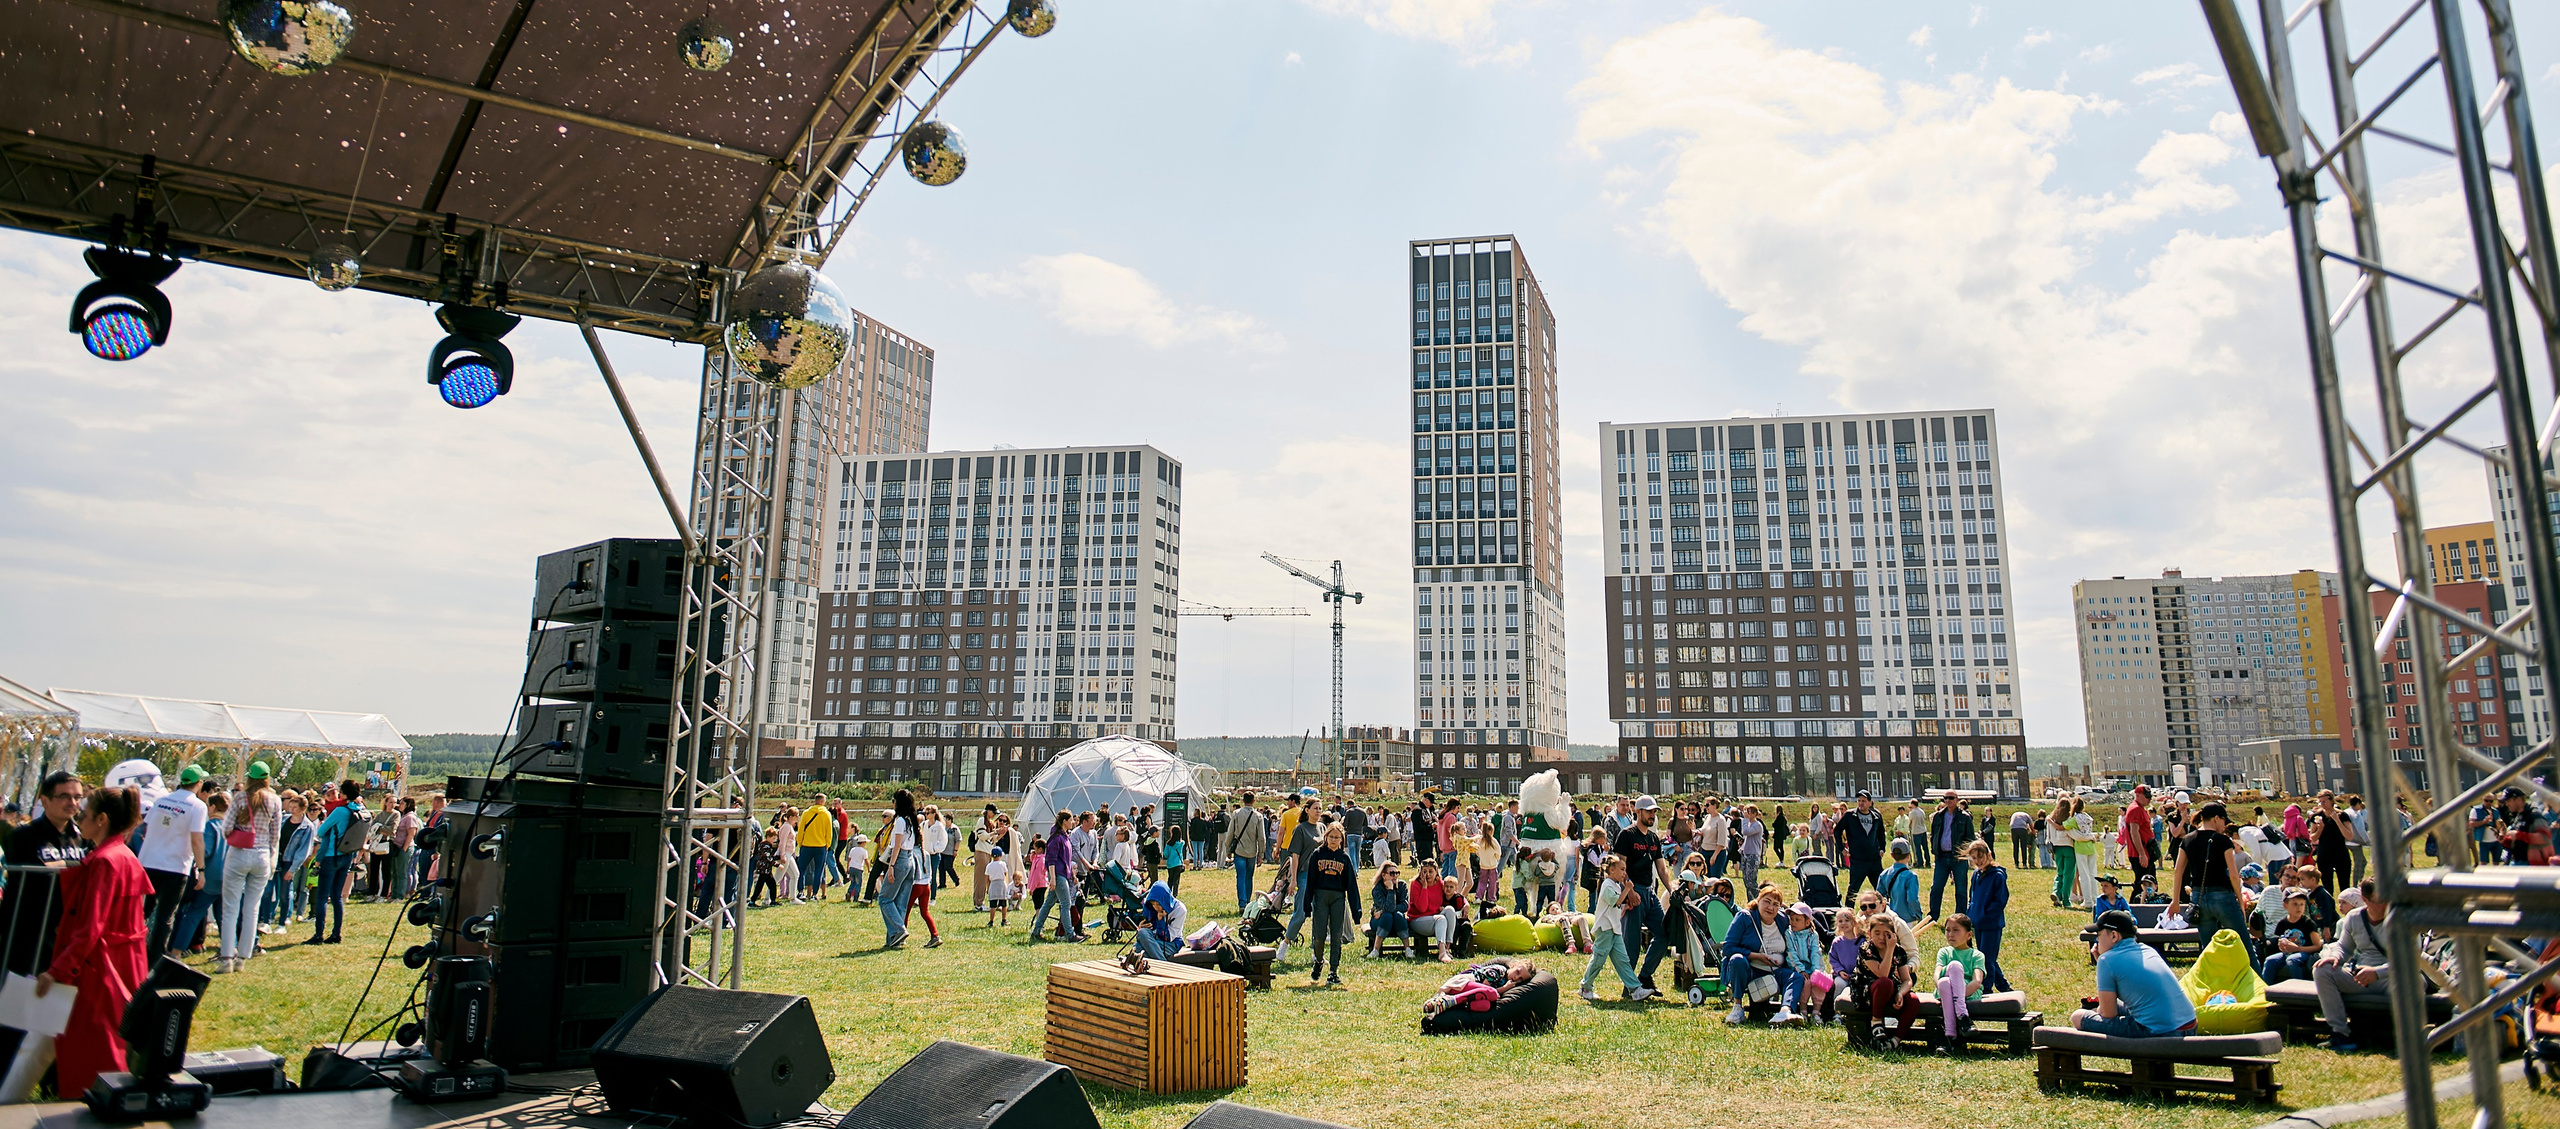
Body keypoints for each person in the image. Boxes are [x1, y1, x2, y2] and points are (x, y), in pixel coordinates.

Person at [37, 786, 150, 1097]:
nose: (79, 821)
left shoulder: (104, 861)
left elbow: (90, 928)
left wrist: (55, 971)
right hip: (124, 966)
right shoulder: (124, 855)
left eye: (84, 815)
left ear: (101, 819)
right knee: (113, 1047)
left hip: (98, 971)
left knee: (93, 1054)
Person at [2072, 909, 2198, 1038]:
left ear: (2114, 936)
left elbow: (2108, 1014)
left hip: (2160, 1032)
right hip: (2190, 1025)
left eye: (2099, 935)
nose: (2097, 940)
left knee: (2077, 1017)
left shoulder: (2107, 960)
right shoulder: (2148, 950)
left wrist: (2095, 1013)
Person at [214, 764, 281, 973]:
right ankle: (244, 956)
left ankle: (227, 957)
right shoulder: (275, 800)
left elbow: (226, 828)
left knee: (230, 908)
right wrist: (270, 855)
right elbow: (275, 835)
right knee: (252, 909)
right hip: (261, 855)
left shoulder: (240, 798)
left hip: (239, 852)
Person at [137, 765, 209, 961]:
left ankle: (134, 950)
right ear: (199, 783)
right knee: (165, 915)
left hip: (149, 862)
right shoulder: (197, 806)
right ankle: (155, 958)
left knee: (142, 911)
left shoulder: (161, 800)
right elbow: (197, 839)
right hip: (175, 866)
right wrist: (201, 869)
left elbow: (147, 828)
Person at [2312, 879, 2392, 1052]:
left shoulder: (2400, 918)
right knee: (2322, 970)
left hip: (2392, 978)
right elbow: (2344, 947)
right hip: (2361, 976)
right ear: (2365, 899)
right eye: (2380, 901)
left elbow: (2411, 960)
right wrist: (2334, 958)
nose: (2386, 905)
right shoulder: (2355, 918)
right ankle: (2340, 1033)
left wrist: (2377, 972)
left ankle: (2407, 1037)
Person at [1616, 796, 1677, 992]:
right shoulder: (1627, 835)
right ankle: (1630, 985)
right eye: (1649, 811)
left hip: (1650, 892)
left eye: (1654, 812)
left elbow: (1662, 868)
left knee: (1664, 933)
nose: (1653, 815)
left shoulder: (1653, 838)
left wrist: (1671, 889)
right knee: (1632, 943)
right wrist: (1629, 891)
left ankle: (1644, 976)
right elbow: (1620, 867)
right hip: (1633, 892)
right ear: (1638, 811)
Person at [1721, 885, 1806, 1026]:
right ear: (1758, 900)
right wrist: (1756, 956)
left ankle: (1785, 1011)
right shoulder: (1744, 917)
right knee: (1737, 959)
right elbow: (1728, 948)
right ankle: (1737, 1008)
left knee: (1796, 977)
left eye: (1775, 904)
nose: (1770, 908)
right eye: (1767, 901)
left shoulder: (1782, 920)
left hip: (1775, 970)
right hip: (1751, 969)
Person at [1578, 854, 1650, 1001]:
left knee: (1623, 960)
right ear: (1611, 870)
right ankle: (1585, 987)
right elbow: (1615, 902)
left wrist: (1626, 904)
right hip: (1605, 928)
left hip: (1614, 929)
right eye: (1622, 869)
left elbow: (1619, 905)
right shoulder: (1607, 885)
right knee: (1598, 959)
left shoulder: (1616, 885)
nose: (1624, 873)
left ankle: (1635, 989)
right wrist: (1627, 888)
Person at [1851, 913, 1923, 1046]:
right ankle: (1876, 1021)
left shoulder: (1899, 951)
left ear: (1893, 935)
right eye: (1877, 933)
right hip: (1866, 988)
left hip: (1890, 987)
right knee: (1885, 983)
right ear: (1870, 933)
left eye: (1886, 933)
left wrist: (1901, 993)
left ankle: (1895, 1040)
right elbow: (1882, 974)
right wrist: (1890, 949)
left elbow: (1906, 979)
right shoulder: (1867, 949)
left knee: (1913, 1000)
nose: (1881, 937)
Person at [1303, 824, 1360, 986]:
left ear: (1342, 839)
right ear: (1325, 837)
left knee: (1337, 936)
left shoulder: (1344, 857)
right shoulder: (1317, 855)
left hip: (1338, 898)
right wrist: (1307, 904)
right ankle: (1319, 960)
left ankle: (1333, 970)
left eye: (1337, 837)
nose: (1334, 840)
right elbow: (1310, 882)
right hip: (1321, 897)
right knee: (1319, 936)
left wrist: (1356, 911)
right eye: (1331, 837)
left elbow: (1351, 885)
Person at [878, 790, 925, 949]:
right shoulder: (911, 820)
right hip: (910, 860)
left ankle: (898, 930)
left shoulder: (899, 821)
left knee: (884, 899)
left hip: (899, 860)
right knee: (900, 902)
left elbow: (896, 846)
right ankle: (894, 940)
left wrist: (891, 867)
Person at [1964, 838, 2011, 993]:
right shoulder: (1976, 875)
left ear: (1989, 854)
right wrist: (1971, 914)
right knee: (1986, 956)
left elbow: (2000, 901)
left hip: (1991, 924)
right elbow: (1972, 897)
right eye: (1974, 858)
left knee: (1986, 959)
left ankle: (1986, 989)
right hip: (1978, 923)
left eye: (1980, 857)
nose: (1978, 861)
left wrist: (1986, 915)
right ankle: (2004, 987)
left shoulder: (1997, 876)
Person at [1936, 913, 1987, 1040]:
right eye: (1947, 930)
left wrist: (1956, 994)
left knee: (1950, 973)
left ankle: (1950, 1033)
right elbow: (1936, 976)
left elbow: (1977, 981)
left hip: (1968, 991)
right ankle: (1963, 1017)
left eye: (1956, 930)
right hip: (1945, 992)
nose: (1950, 934)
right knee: (1945, 980)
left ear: (1969, 935)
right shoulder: (1944, 952)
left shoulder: (1976, 955)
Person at [1783, 901, 1833, 1024]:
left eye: (1797, 919)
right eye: (1792, 919)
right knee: (1805, 983)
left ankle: (1816, 1012)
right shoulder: (1789, 934)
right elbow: (1792, 953)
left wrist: (1816, 970)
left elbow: (1816, 952)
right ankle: (1803, 1011)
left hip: (1812, 967)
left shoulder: (1813, 935)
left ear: (1807, 922)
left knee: (1818, 983)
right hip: (1798, 968)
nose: (1793, 922)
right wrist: (1801, 969)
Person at [2260, 888, 2323, 985]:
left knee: (2292, 960)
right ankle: (2265, 990)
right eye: (2295, 904)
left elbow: (2317, 946)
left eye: (2302, 904)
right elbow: (2280, 942)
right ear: (2285, 905)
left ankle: (2300, 989)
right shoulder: (2282, 923)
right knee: (2270, 960)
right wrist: (2282, 946)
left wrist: (2298, 948)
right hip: (2287, 953)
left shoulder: (2308, 923)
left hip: (2305, 952)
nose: (2299, 908)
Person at [1926, 791, 1973, 921]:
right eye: (1945, 798)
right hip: (1941, 857)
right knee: (1936, 887)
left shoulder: (1964, 817)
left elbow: (1970, 838)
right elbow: (1934, 835)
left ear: (1957, 799)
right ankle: (1933, 916)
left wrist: (1966, 854)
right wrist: (1934, 849)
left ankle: (1961, 916)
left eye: (1951, 798)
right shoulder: (1938, 816)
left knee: (1961, 889)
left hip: (1958, 857)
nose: (1948, 800)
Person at [1223, 792, 1270, 910]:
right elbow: (1262, 838)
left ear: (1243, 801)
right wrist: (1261, 854)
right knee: (1249, 877)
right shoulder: (1258, 816)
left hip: (1239, 850)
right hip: (1252, 851)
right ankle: (1248, 902)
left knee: (1241, 877)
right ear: (1254, 801)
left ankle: (1242, 903)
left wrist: (1228, 848)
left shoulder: (1236, 814)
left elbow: (1230, 834)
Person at [1407, 862, 1460, 962]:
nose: (1428, 874)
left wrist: (1465, 904)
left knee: (1449, 910)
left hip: (1435, 918)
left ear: (1436, 872)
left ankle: (1447, 948)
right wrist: (1424, 887)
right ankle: (1442, 953)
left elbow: (1453, 893)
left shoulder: (1439, 883)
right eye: (1425, 871)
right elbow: (1422, 908)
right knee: (1441, 919)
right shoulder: (1416, 884)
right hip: (1418, 920)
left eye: (1431, 871)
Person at [1839, 792, 1887, 895]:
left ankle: (1884, 909)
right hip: (1858, 859)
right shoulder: (1850, 815)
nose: (1861, 803)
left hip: (1874, 859)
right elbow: (1837, 831)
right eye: (1859, 801)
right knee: (1853, 890)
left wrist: (1882, 848)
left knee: (1881, 889)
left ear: (1870, 803)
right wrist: (1841, 848)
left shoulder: (1876, 816)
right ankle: (1849, 910)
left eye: (1864, 801)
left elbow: (1881, 833)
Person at [2119, 784, 2159, 891]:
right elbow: (2134, 833)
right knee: (2143, 885)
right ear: (2138, 795)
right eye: (2146, 796)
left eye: (2150, 796)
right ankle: (2137, 906)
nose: (2149, 799)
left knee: (2150, 884)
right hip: (2140, 854)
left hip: (2146, 852)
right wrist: (2142, 853)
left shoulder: (2141, 808)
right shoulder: (2135, 809)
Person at [1879, 839, 1923, 924]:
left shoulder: (1884, 874)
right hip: (1907, 918)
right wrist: (1918, 914)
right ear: (1909, 856)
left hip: (1889, 918)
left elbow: (1879, 897)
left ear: (1892, 855)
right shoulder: (1911, 876)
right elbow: (1912, 899)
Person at [1735, 805, 1767, 894]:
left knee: (1751, 881)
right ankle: (1750, 901)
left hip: (1753, 855)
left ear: (1754, 814)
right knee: (1746, 881)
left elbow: (1746, 831)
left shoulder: (1757, 825)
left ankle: (1756, 900)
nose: (1745, 814)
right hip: (1745, 854)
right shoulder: (1749, 824)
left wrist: (1744, 819)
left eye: (1748, 812)